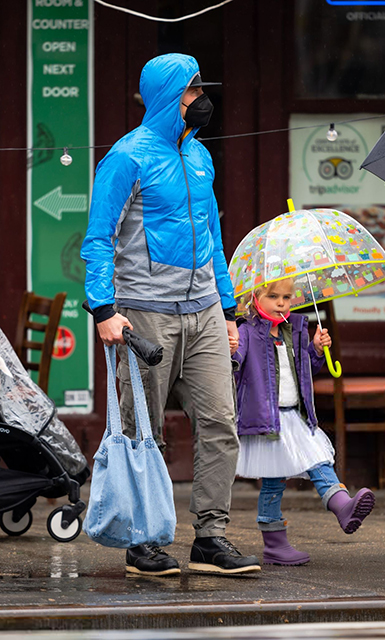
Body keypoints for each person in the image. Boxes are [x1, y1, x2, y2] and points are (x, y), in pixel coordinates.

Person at [81, 53, 260, 576]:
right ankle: (142, 542)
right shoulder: (126, 158)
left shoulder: (200, 157)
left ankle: (210, 538)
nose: (201, 100)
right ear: (166, 96)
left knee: (221, 423)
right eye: (191, 90)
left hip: (204, 311)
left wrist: (228, 310)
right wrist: (104, 310)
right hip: (144, 315)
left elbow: (212, 239)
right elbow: (97, 241)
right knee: (146, 430)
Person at [231, 278, 375, 566]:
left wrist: (316, 350)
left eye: (287, 296)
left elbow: (304, 370)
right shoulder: (246, 332)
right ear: (254, 299)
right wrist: (231, 350)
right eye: (273, 296)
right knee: (273, 483)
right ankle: (274, 543)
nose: (282, 303)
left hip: (296, 415)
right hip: (266, 421)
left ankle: (342, 506)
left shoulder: (296, 329)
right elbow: (235, 369)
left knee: (319, 461)